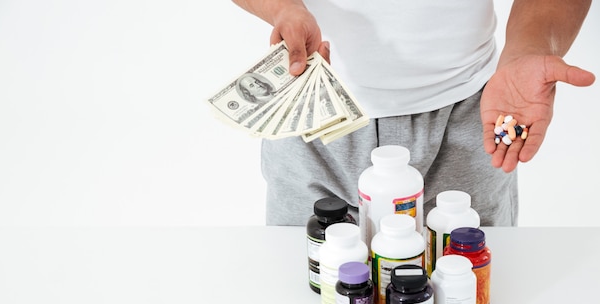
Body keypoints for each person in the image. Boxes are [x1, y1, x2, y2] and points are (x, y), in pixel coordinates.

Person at [232, 0, 596, 226]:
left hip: (471, 115)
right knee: (309, 303)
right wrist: (282, 7)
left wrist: (528, 48)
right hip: (311, 109)